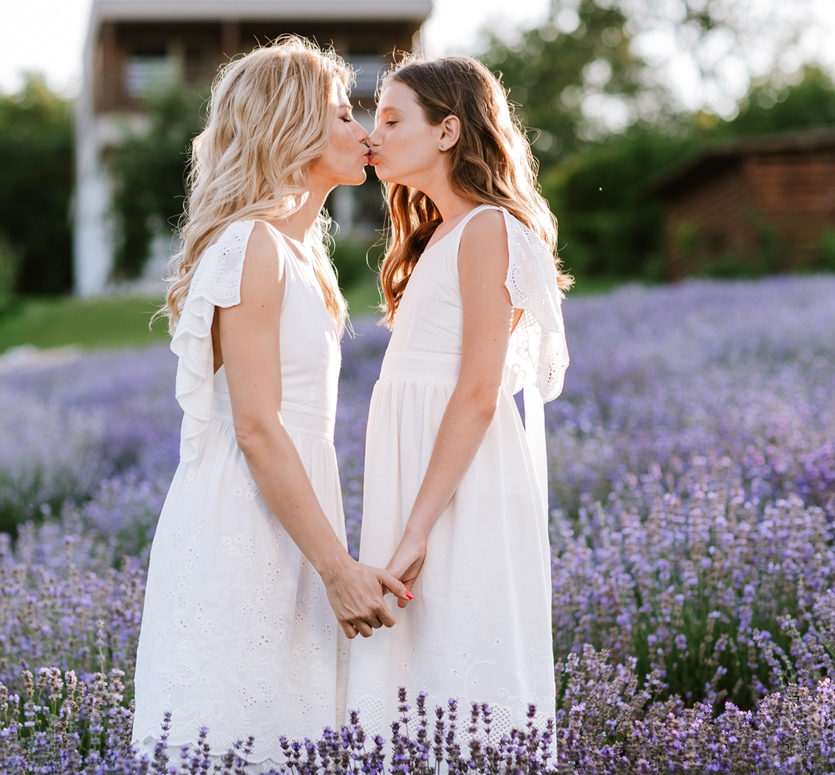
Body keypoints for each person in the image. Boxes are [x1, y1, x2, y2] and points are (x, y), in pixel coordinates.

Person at [131, 37, 409, 768]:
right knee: (241, 731)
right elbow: (255, 427)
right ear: (291, 129)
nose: (362, 130)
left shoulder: (295, 252)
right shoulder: (251, 246)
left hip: (289, 508)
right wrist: (338, 569)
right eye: (341, 115)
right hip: (247, 518)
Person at [345, 56, 571, 747]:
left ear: (447, 131)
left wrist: (416, 529)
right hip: (422, 474)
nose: (371, 135)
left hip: (460, 483)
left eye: (390, 119)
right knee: (419, 668)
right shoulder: (437, 235)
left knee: (464, 655)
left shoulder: (489, 230)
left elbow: (478, 392)